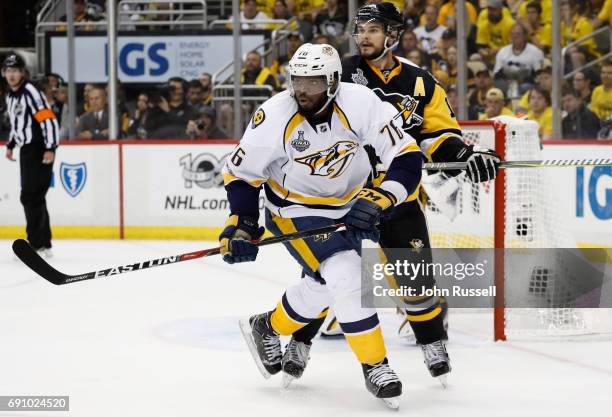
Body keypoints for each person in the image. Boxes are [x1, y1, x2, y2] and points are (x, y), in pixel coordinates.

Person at [286, 2, 501, 387]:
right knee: (326, 277)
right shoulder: (341, 73)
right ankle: (299, 342)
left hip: (398, 196)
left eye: (372, 29)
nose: (362, 36)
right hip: (342, 197)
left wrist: (467, 154)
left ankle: (433, 344)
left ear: (393, 35)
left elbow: (439, 135)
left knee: (416, 279)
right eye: (360, 29)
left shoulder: (421, 82)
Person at [226, 43, 419, 408]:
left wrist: (383, 197)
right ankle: (376, 366)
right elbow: (241, 174)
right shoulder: (274, 116)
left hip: (350, 205)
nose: (302, 91)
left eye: (313, 83)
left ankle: (268, 325)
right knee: (347, 275)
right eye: (297, 81)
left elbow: (406, 155)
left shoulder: (361, 102)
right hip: (295, 211)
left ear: (333, 82)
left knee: (325, 285)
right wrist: (242, 224)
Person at [3, 54, 59, 258]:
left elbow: (48, 119)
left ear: (23, 73)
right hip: (26, 150)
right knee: (35, 196)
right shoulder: (10, 95)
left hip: (40, 148)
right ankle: (43, 244)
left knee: (30, 196)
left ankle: (35, 244)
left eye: (16, 71)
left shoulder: (30, 91)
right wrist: (11, 144)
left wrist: (50, 148)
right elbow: (18, 124)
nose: (12, 75)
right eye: (8, 71)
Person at [476, 0, 516, 64]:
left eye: (494, 10)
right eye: (489, 9)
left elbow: (514, 46)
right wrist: (483, 52)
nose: (491, 12)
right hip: (490, 57)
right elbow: (481, 45)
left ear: (500, 10)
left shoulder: (510, 24)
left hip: (508, 55)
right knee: (475, 57)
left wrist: (497, 51)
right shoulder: (484, 25)